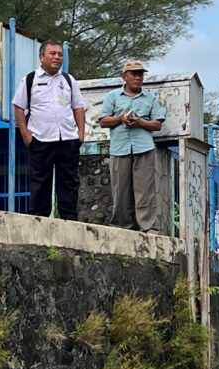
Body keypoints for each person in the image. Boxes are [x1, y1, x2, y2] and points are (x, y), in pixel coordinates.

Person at [12, 41, 85, 220]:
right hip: (40, 139)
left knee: (69, 182)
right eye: (52, 53)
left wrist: (81, 133)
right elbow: (19, 107)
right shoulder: (30, 80)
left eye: (60, 54)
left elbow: (78, 107)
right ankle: (39, 220)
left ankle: (70, 220)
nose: (57, 57)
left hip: (67, 138)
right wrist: (26, 134)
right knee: (39, 182)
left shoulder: (69, 80)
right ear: (41, 57)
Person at [97, 60, 166, 233]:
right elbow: (103, 121)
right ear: (124, 76)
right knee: (120, 189)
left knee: (146, 190)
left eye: (140, 74)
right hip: (119, 148)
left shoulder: (150, 98)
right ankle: (122, 227)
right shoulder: (113, 96)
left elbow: (157, 125)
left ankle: (148, 227)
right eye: (134, 74)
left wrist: (140, 122)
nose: (138, 77)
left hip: (144, 147)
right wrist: (120, 118)